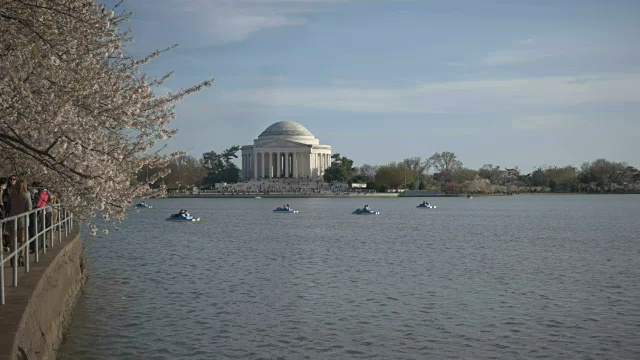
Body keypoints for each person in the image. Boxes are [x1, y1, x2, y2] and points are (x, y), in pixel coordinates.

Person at [8, 179, 32, 267]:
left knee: (12, 240)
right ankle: (21, 257)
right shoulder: (27, 194)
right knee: (22, 239)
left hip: (12, 218)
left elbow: (9, 206)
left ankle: (13, 259)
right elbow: (29, 208)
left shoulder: (12, 194)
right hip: (23, 219)